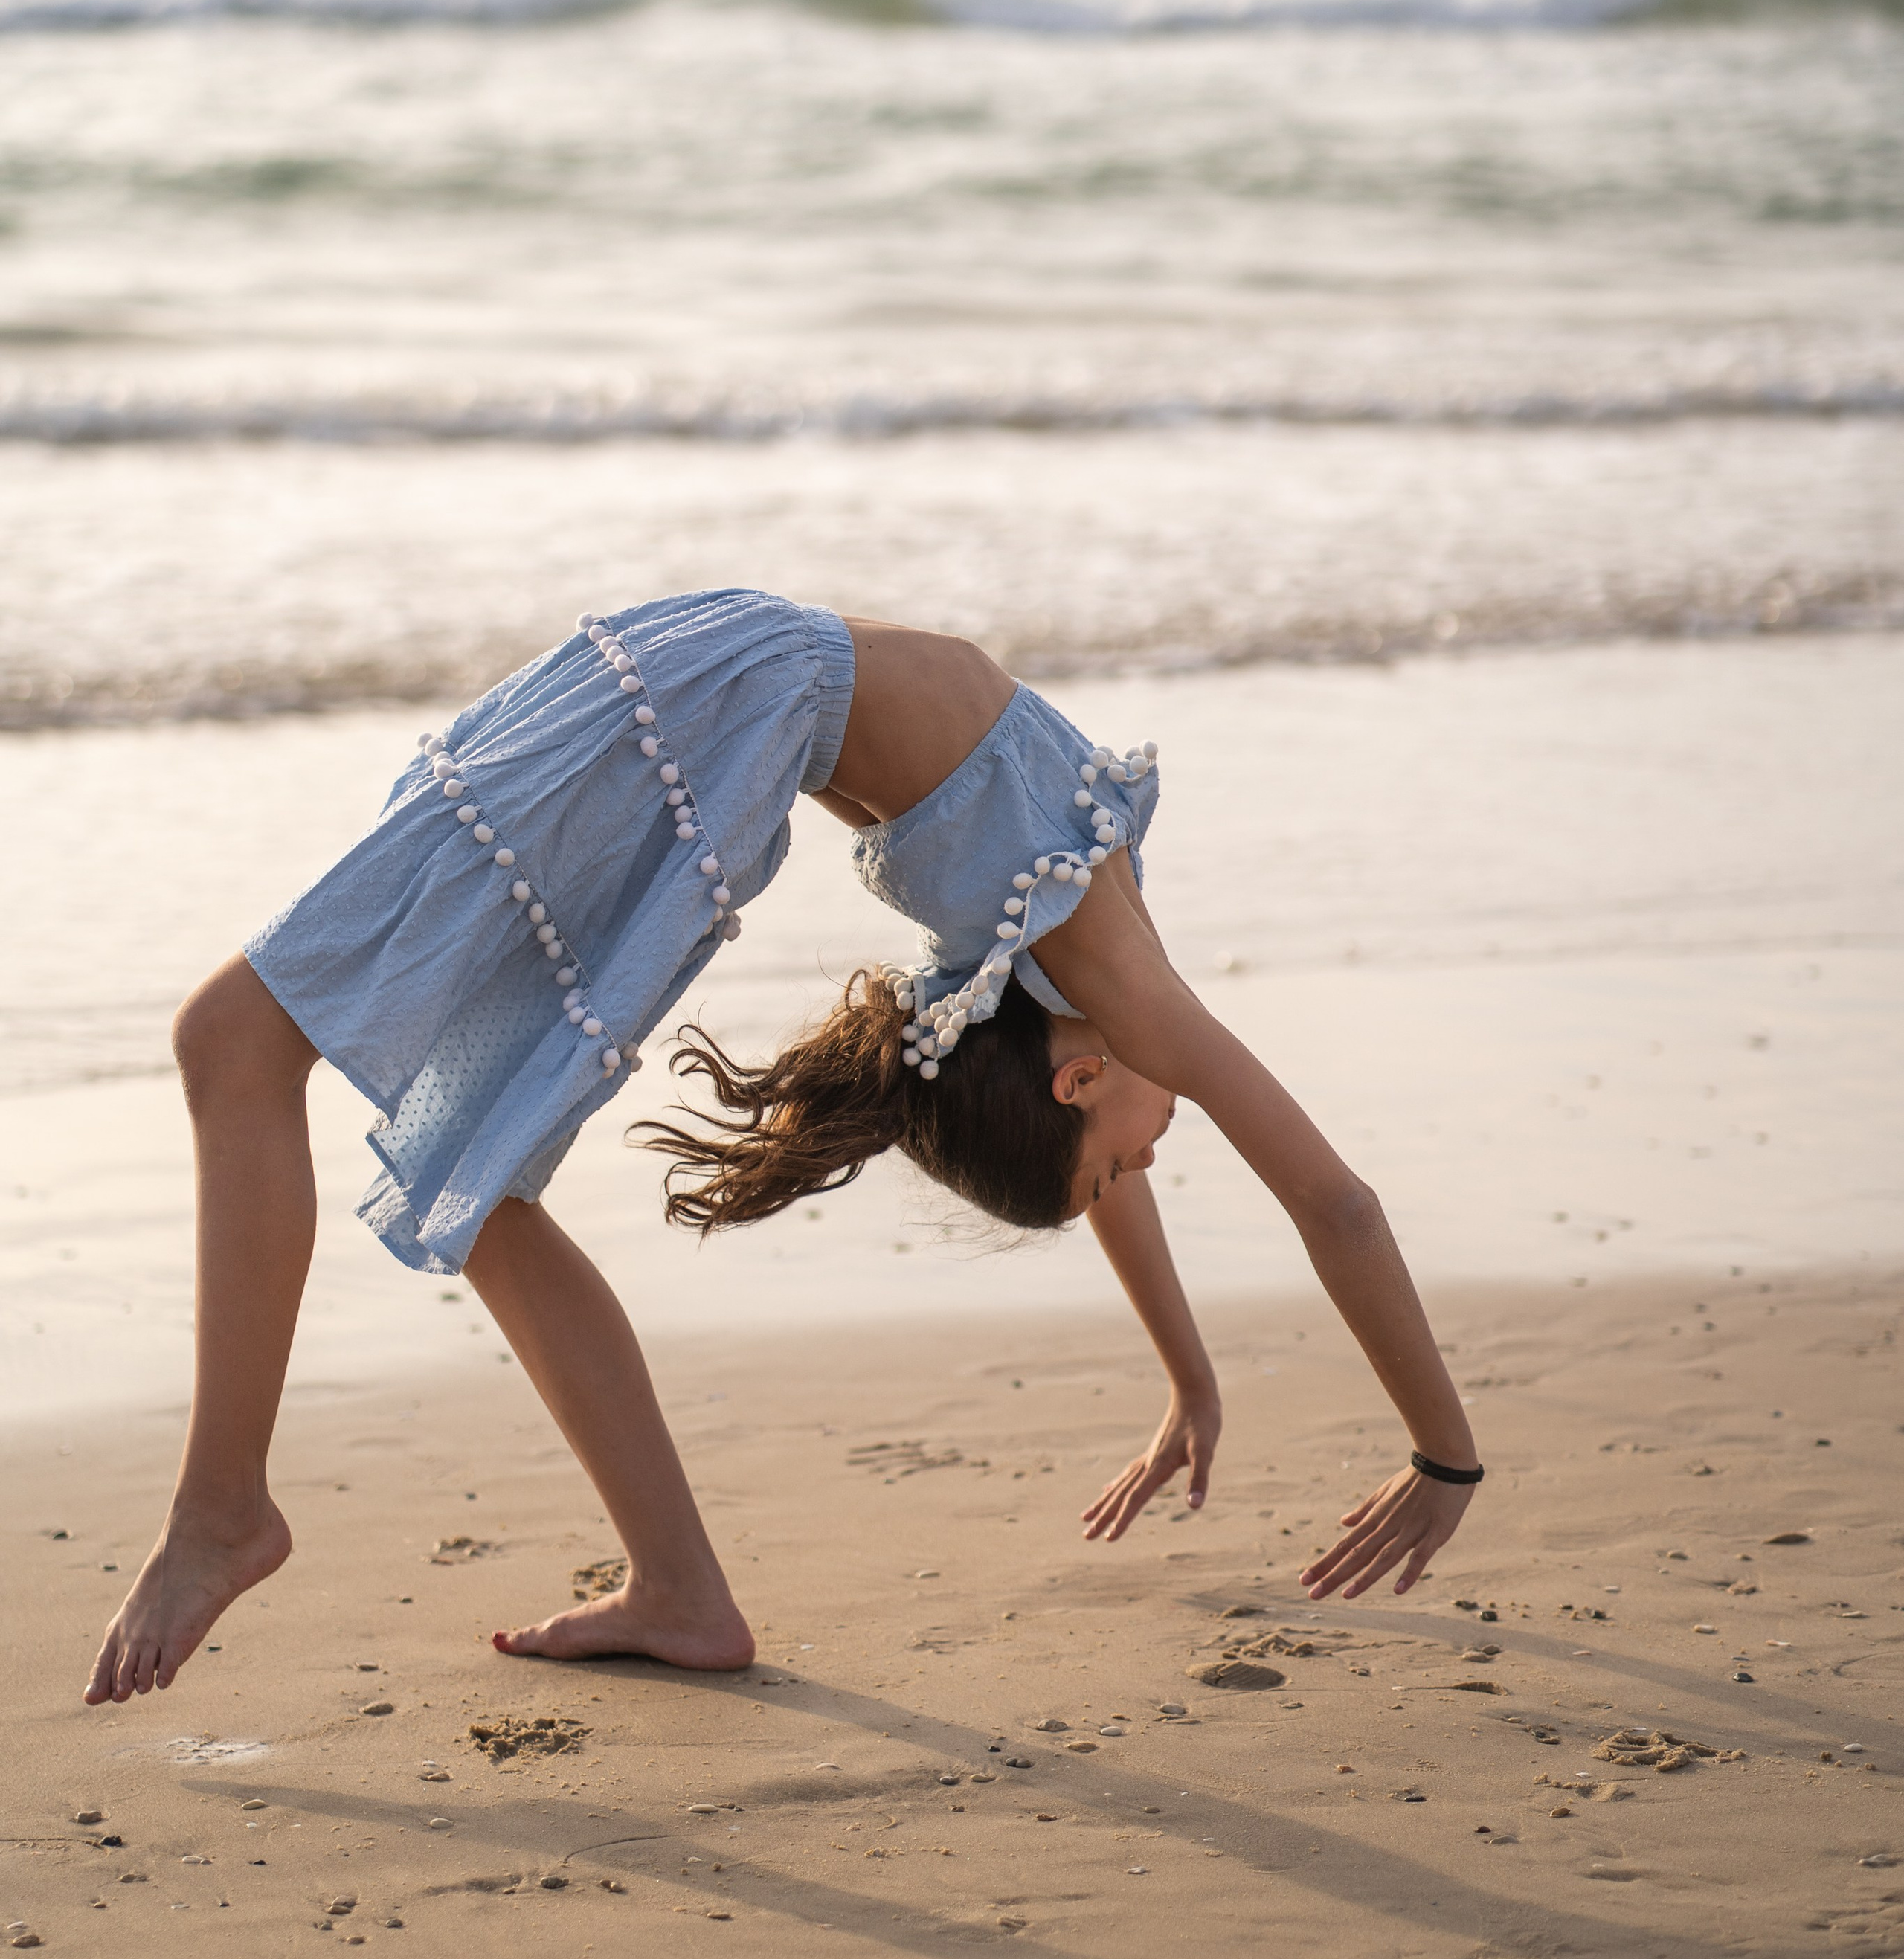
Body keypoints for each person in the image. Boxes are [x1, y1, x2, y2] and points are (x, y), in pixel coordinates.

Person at [84, 590, 1480, 1707]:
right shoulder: (1114, 983)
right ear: (1075, 1085)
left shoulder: (1081, 977)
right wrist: (1443, 1458)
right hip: (703, 704)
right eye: (1124, 1168)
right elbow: (1337, 1206)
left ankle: (679, 1593)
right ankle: (224, 1507)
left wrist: (1190, 1381)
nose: (1147, 1170)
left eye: (1124, 1171)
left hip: (706, 695)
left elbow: (1095, 1160)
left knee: (444, 1146)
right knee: (242, 1047)